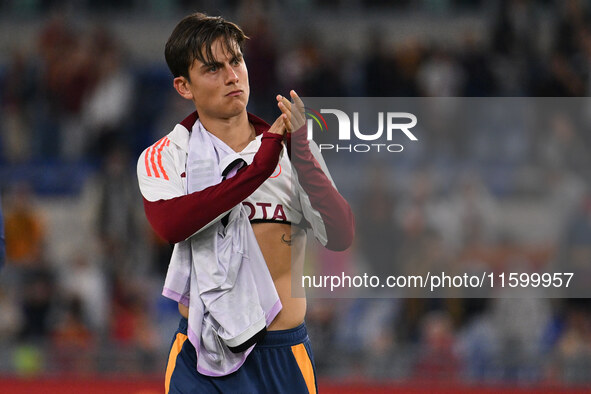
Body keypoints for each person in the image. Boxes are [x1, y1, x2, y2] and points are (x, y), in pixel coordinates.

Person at [136, 13, 354, 393]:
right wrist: (257, 169)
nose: (231, 76)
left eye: (236, 61)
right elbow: (170, 225)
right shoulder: (165, 155)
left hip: (281, 357)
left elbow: (341, 234)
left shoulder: (292, 146)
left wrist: (300, 155)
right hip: (199, 359)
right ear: (183, 86)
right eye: (212, 68)